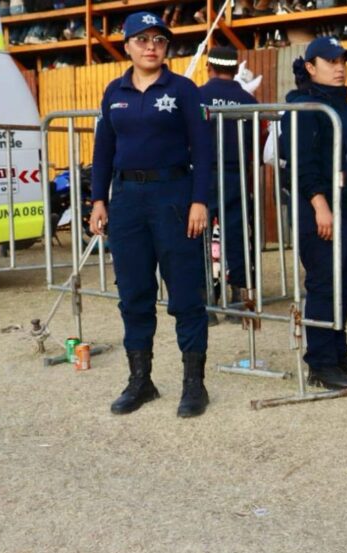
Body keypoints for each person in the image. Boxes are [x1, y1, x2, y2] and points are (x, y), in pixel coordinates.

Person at [88, 12, 212, 418]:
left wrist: (199, 200)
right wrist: (98, 200)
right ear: (126, 46)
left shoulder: (183, 89)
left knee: (184, 293)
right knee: (134, 294)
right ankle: (141, 381)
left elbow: (203, 150)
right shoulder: (114, 91)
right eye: (141, 40)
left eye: (158, 39)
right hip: (126, 200)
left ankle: (194, 385)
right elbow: (103, 149)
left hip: (174, 197)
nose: (151, 46)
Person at [279, 37, 347, 390]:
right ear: (310, 67)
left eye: (343, 60)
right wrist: (319, 204)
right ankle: (321, 363)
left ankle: (338, 351)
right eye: (330, 61)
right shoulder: (305, 107)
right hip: (321, 210)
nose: (339, 67)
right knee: (325, 284)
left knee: (345, 284)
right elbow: (300, 163)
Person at [199, 45, 259, 323]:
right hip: (236, 174)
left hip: (203, 174)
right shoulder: (248, 99)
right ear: (236, 70)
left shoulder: (198, 97)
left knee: (198, 235)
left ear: (209, 67)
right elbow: (256, 143)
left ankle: (206, 301)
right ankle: (238, 299)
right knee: (236, 235)